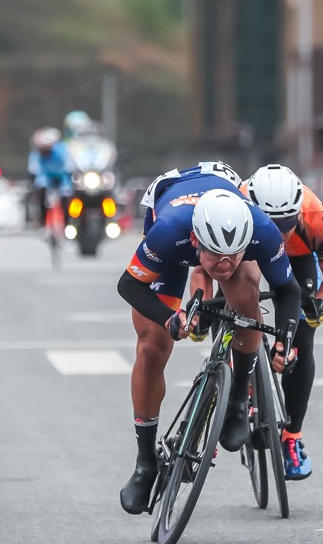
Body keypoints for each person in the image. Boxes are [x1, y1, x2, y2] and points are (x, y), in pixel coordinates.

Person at [115, 162, 302, 515]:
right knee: (152, 346)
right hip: (171, 208)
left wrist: (285, 342)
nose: (224, 263)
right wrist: (170, 318)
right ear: (198, 242)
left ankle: (235, 401)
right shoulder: (169, 232)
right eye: (215, 255)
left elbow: (288, 290)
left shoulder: (260, 230)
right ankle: (144, 463)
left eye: (233, 255)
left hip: (225, 208)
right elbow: (129, 285)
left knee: (246, 299)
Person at [194, 164, 323, 480]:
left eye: (286, 223)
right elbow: (203, 267)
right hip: (245, 248)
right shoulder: (233, 205)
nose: (278, 232)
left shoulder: (314, 216)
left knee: (302, 339)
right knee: (233, 309)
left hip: (297, 258)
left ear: (298, 213)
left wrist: (318, 304)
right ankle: (223, 399)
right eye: (270, 222)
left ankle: (292, 435)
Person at [27, 127, 74, 226]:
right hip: (46, 176)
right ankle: (42, 219)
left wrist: (70, 177)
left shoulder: (62, 150)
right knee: (41, 191)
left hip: (62, 176)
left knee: (66, 196)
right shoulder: (36, 153)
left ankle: (67, 220)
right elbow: (34, 169)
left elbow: (69, 166)